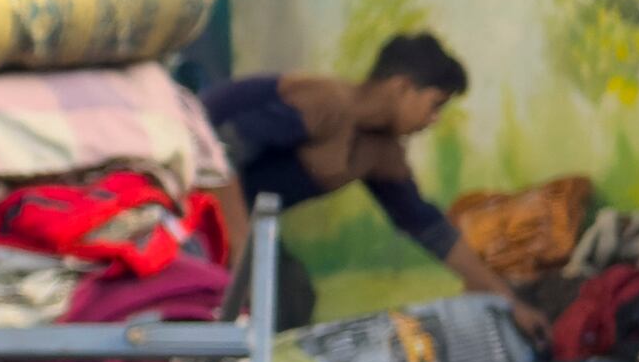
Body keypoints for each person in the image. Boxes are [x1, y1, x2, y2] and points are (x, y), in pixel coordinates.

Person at [205, 32, 505, 308]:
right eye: (435, 104)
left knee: (292, 297)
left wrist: (506, 300)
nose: (434, 119)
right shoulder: (326, 103)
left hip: (223, 216)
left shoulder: (382, 153)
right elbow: (219, 151)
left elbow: (427, 227)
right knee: (269, 293)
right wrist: (242, 244)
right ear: (401, 87)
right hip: (183, 190)